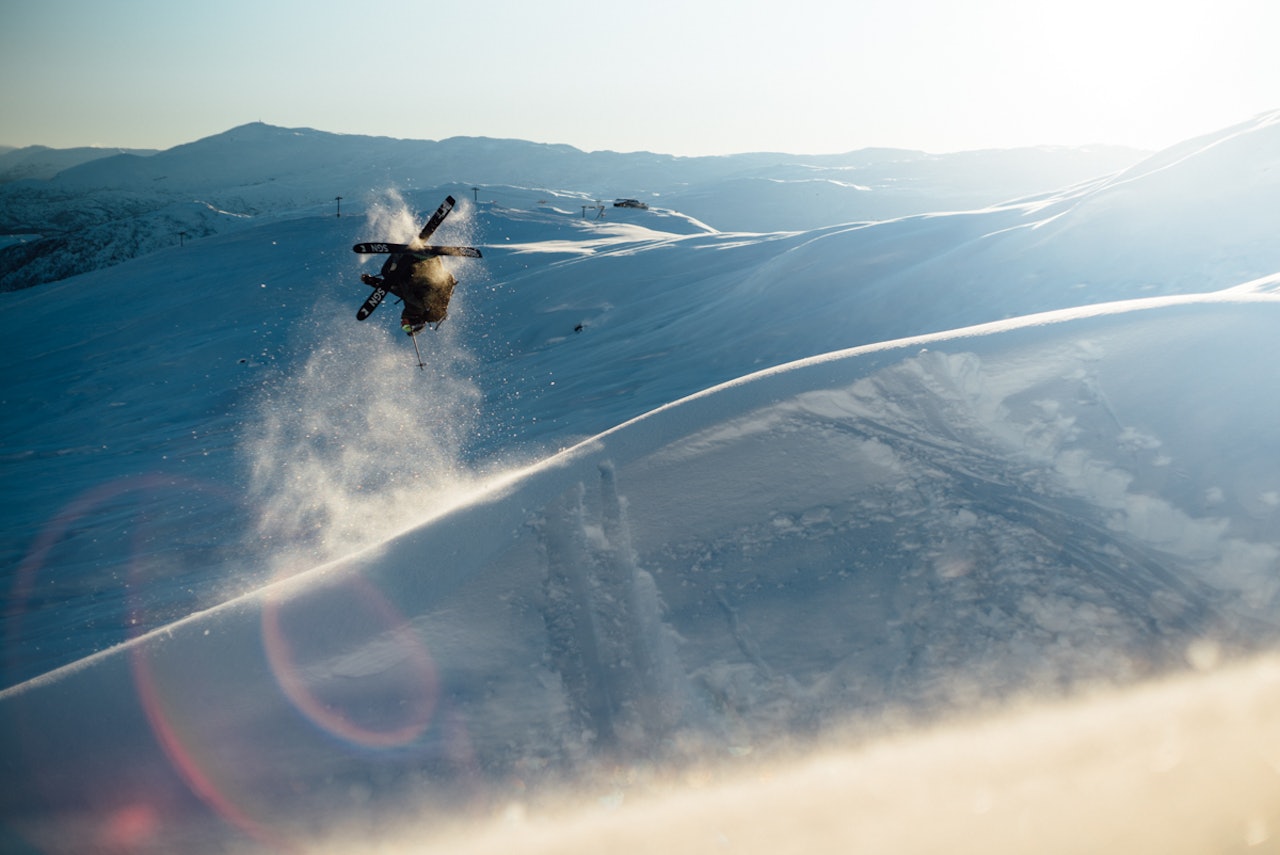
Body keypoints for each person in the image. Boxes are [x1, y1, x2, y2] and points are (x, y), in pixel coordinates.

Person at [361, 252, 457, 334]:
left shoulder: (414, 305)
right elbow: (402, 290)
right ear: (414, 322)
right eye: (406, 327)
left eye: (403, 327)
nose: (402, 324)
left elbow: (400, 291)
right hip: (424, 269)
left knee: (389, 273)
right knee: (388, 273)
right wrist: (386, 283)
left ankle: (408, 253)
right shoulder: (418, 306)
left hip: (428, 267)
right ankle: (416, 255)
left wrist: (374, 282)